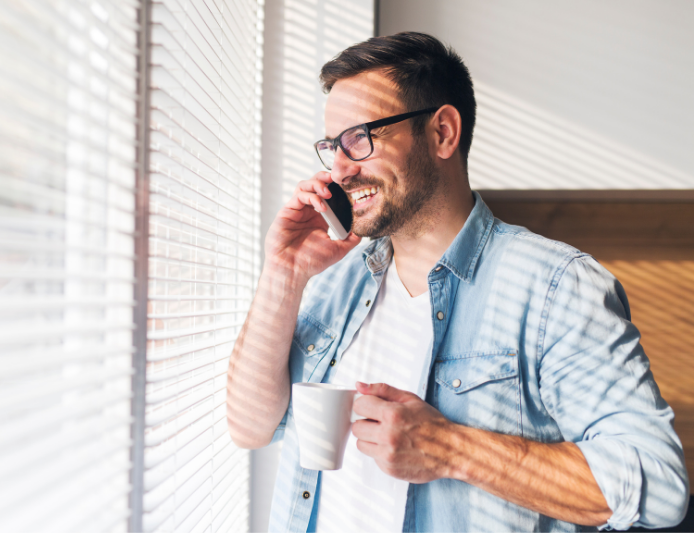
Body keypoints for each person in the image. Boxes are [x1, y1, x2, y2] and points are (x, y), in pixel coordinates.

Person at [226, 32, 689, 532]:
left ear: (443, 132)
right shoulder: (331, 279)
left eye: (360, 138)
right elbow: (251, 428)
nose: (339, 169)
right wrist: (284, 271)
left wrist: (451, 448)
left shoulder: (557, 287)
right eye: (332, 146)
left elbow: (660, 486)